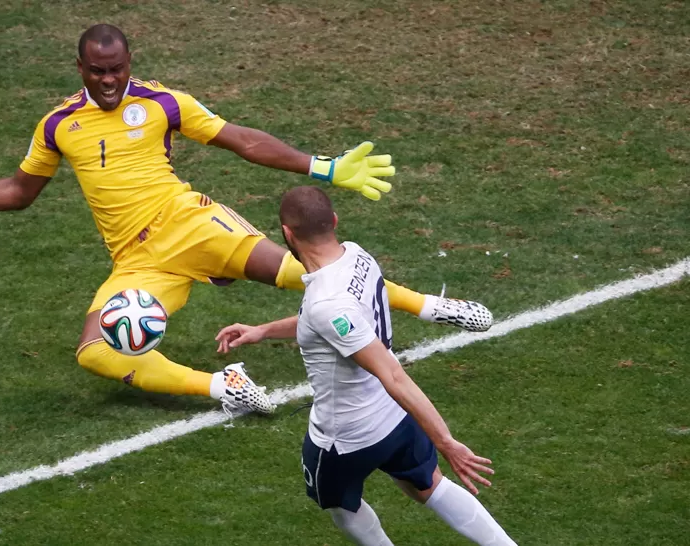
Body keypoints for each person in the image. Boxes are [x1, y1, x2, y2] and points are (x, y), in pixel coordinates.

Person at [0, 24, 493, 415]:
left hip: (192, 224)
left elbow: (242, 141)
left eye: (117, 70)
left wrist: (324, 168)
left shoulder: (162, 103)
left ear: (130, 63)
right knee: (96, 354)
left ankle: (433, 308)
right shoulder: (58, 125)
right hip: (137, 261)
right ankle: (223, 387)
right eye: (97, 72)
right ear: (79, 67)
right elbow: (23, 191)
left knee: (304, 274)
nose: (108, 81)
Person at [215, 187, 516, 544]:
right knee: (428, 486)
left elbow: (390, 372)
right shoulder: (358, 257)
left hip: (344, 437)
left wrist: (447, 442)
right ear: (335, 222)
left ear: (286, 234)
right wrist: (263, 330)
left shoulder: (325, 302)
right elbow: (331, 324)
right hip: (394, 420)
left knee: (340, 505)